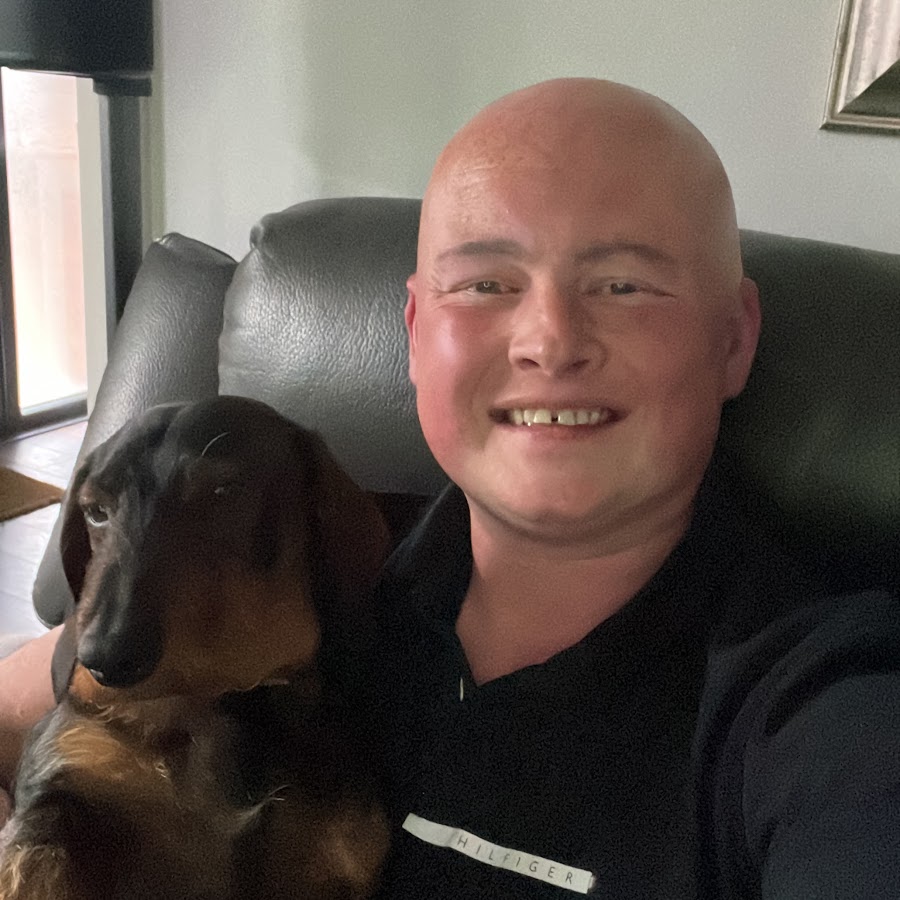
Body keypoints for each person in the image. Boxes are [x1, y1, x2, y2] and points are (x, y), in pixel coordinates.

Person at [1, 79, 898, 899]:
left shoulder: (822, 706)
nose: (549, 340)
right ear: (415, 332)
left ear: (733, 340)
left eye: (624, 284)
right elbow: (47, 687)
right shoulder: (319, 569)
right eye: (486, 283)